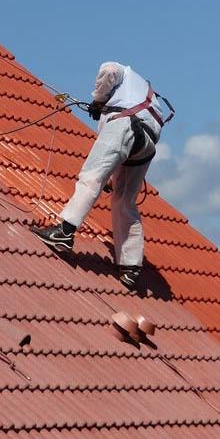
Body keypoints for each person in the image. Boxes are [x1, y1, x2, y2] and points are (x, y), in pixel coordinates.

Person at [31, 61, 164, 289]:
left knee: (91, 177)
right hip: (148, 143)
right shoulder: (147, 94)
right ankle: (131, 266)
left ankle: (64, 232)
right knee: (125, 201)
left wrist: (99, 99)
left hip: (125, 126)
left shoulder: (122, 71)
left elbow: (109, 71)